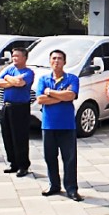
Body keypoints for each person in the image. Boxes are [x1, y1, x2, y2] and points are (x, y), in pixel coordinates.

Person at [36, 49, 83, 201]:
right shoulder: (43, 79)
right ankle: (53, 185)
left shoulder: (72, 78)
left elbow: (71, 95)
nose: (56, 61)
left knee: (69, 159)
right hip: (48, 125)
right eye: (54, 58)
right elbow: (41, 99)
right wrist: (61, 95)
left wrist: (50, 92)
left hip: (67, 126)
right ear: (50, 61)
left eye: (60, 58)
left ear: (65, 62)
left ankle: (71, 188)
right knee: (50, 157)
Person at [0, 47, 35, 177]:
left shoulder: (28, 72)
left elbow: (20, 83)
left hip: (21, 107)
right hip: (7, 106)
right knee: (7, 135)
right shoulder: (9, 69)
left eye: (17, 56)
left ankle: (23, 165)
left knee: (20, 137)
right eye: (13, 56)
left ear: (25, 58)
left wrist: (8, 79)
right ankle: (13, 162)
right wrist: (9, 78)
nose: (14, 58)